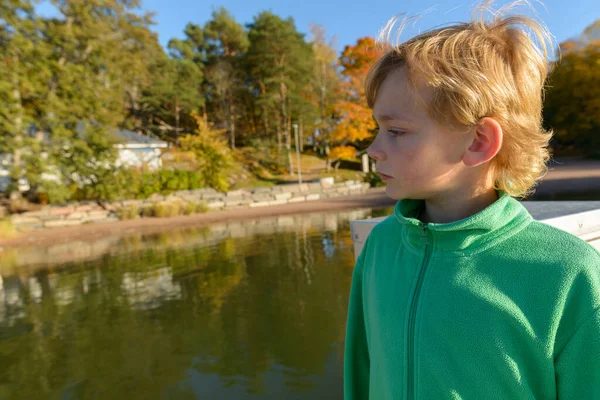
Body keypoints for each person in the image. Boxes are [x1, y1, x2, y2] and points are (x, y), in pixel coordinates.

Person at [344, 1, 600, 399]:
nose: (373, 149)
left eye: (395, 131)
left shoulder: (567, 272)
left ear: (479, 142)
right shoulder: (380, 248)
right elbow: (361, 372)